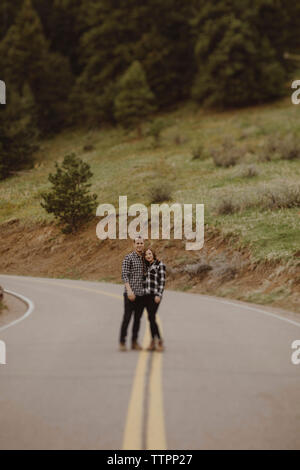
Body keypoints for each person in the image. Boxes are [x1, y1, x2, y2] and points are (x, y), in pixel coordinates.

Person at [120, 236, 145, 351]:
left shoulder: (145, 258)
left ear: (143, 244)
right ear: (134, 244)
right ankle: (122, 341)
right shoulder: (128, 258)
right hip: (130, 294)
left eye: (141, 243)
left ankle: (134, 342)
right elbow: (125, 275)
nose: (139, 245)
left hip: (141, 295)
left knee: (137, 319)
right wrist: (129, 291)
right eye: (137, 243)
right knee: (127, 318)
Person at [143, 247, 166, 352]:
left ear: (153, 254)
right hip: (146, 295)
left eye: (150, 254)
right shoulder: (145, 266)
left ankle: (159, 341)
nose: (148, 256)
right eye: (146, 254)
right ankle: (153, 341)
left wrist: (159, 295)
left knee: (151, 316)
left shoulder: (160, 265)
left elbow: (162, 281)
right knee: (150, 318)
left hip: (155, 295)